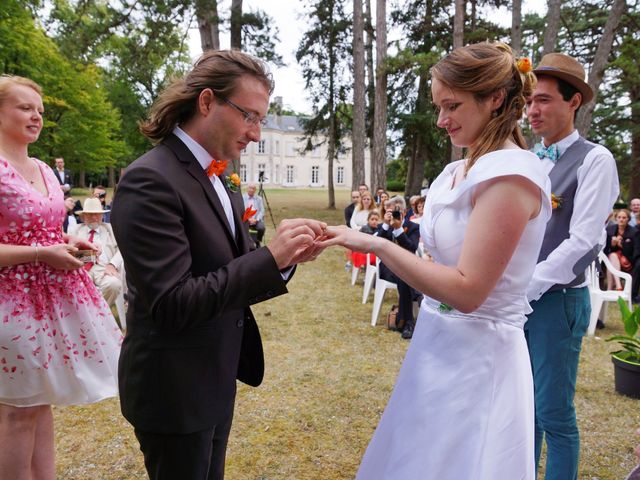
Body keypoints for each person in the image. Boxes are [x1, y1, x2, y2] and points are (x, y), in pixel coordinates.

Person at [321, 42, 549, 479]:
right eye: (438, 106)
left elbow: (468, 290)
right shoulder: (457, 170)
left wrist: (380, 245)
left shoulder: (511, 176)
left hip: (480, 360)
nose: (442, 119)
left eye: (452, 105)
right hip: (436, 342)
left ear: (495, 99)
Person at [110, 50, 325, 480]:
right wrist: (270, 257)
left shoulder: (220, 178)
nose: (257, 132)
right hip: (173, 388)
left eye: (261, 119)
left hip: (212, 377)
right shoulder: (150, 179)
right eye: (249, 116)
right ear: (207, 102)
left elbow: (237, 267)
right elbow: (172, 302)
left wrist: (284, 260)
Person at [0, 75, 121, 480]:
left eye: (39, 110)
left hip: (52, 301)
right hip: (10, 304)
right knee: (18, 410)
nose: (35, 116)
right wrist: (41, 253)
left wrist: (71, 242)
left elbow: (45, 228)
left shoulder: (44, 170)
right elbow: (32, 242)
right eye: (24, 107)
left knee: (41, 402)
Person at [524, 52, 619, 480]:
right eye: (529, 102)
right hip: (519, 301)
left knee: (554, 414)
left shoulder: (595, 160)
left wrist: (526, 286)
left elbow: (584, 242)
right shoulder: (529, 158)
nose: (532, 111)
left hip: (558, 302)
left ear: (574, 101)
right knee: (524, 411)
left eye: (543, 100)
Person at [377, 196, 420, 339]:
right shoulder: (384, 227)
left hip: (406, 269)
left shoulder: (413, 227)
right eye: (390, 212)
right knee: (405, 276)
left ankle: (407, 321)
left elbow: (412, 248)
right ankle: (410, 316)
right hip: (388, 268)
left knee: (404, 275)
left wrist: (399, 230)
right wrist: (386, 224)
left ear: (405, 211)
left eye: (397, 211)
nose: (394, 215)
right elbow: (377, 245)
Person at [68, 197, 124, 308]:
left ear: (102, 215)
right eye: (90, 214)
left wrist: (112, 264)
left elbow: (122, 249)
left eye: (97, 214)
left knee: (114, 284)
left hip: (104, 268)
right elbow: (69, 255)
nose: (94, 217)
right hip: (81, 269)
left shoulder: (110, 229)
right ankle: (97, 315)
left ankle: (97, 312)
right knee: (76, 286)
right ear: (83, 217)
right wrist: (90, 256)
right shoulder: (75, 230)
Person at [604, 209, 635, 290]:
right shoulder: (610, 230)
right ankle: (618, 286)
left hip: (627, 259)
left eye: (624, 217)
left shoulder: (634, 232)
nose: (621, 219)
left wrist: (621, 244)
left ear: (628, 219)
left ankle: (610, 288)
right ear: (616, 218)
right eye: (619, 217)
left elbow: (633, 250)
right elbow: (607, 249)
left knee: (611, 259)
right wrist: (613, 244)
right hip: (613, 259)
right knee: (612, 256)